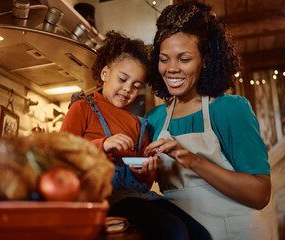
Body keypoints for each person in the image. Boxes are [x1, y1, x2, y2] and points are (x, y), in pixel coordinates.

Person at [60, 30, 211, 239]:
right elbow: (59, 156)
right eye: (122, 79)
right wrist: (102, 145)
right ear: (105, 74)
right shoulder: (82, 108)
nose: (127, 89)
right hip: (100, 198)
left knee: (200, 235)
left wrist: (147, 170)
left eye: (136, 86)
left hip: (137, 196)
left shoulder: (138, 124)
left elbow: (143, 181)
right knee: (174, 232)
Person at [144, 1, 274, 239]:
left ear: (205, 59)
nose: (172, 69)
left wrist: (193, 160)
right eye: (164, 59)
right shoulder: (153, 119)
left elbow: (260, 195)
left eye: (184, 59)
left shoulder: (231, 110)